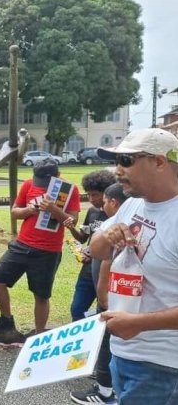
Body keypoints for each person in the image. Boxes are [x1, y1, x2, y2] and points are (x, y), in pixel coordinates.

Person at [89, 128, 178, 404]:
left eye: (126, 161)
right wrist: (107, 235)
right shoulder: (132, 205)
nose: (117, 171)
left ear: (160, 162)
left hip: (163, 365)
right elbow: (95, 250)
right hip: (124, 353)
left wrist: (139, 324)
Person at [0, 158, 80, 339]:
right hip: (22, 244)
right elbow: (14, 211)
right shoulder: (28, 185)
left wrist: (53, 209)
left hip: (48, 251)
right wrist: (29, 210)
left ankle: (39, 335)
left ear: (57, 176)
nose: (41, 186)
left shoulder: (70, 190)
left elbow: (73, 222)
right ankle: (6, 322)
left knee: (41, 295)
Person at [69, 182, 126, 405]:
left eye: (102, 200)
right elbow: (90, 246)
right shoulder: (108, 219)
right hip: (104, 291)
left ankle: (104, 392)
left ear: (114, 202)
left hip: (110, 298)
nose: (99, 204)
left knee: (107, 342)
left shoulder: (116, 224)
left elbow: (106, 261)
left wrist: (103, 300)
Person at [64, 170, 116, 321]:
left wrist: (93, 252)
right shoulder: (92, 212)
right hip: (87, 271)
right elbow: (82, 237)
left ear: (106, 194)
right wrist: (71, 228)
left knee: (105, 309)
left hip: (107, 272)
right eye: (89, 194)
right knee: (77, 309)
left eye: (95, 195)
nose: (91, 199)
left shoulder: (116, 214)